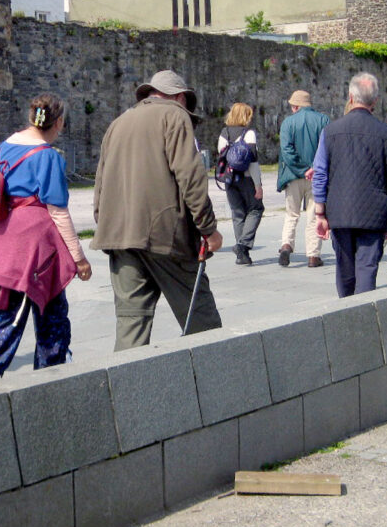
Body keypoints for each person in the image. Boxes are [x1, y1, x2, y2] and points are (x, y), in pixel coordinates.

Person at [0, 93, 92, 385]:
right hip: (33, 247)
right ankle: (45, 373)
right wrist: (79, 257)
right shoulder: (48, 157)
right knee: (48, 315)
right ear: (57, 122)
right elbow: (58, 211)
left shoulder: (3, 148)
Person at [92, 70, 223, 350]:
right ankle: (214, 382)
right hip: (165, 234)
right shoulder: (175, 115)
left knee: (131, 325)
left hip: (120, 237)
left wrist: (106, 225)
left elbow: (99, 186)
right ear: (179, 97)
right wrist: (208, 228)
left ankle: (127, 388)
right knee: (201, 320)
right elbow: (191, 177)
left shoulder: (117, 123)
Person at [312, 73, 387, 297]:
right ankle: (364, 314)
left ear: (350, 97)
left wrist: (320, 212)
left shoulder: (331, 132)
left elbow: (320, 173)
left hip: (340, 209)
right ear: (375, 101)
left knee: (344, 268)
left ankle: (345, 310)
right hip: (374, 211)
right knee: (367, 269)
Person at [277, 90, 330, 268]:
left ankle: (286, 244)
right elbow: (328, 147)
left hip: (293, 175)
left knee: (291, 214)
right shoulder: (323, 120)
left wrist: (301, 169)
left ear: (296, 106)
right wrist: (314, 169)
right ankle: (313, 256)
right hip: (317, 176)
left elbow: (287, 151)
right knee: (314, 215)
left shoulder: (287, 123)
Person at [217, 103, 264, 266]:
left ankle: (241, 256)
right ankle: (242, 245)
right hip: (246, 179)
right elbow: (253, 162)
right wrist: (258, 185)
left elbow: (221, 156)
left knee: (237, 214)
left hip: (230, 179)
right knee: (256, 209)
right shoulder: (248, 133)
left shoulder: (224, 133)